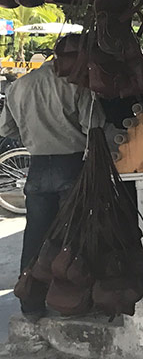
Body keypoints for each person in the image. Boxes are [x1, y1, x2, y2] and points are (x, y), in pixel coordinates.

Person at [1, 38, 105, 319]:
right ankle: (71, 302)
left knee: (35, 236)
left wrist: (34, 136)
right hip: (71, 165)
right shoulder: (76, 85)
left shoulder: (19, 86)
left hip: (37, 167)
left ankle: (31, 304)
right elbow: (94, 126)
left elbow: (6, 129)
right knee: (73, 237)